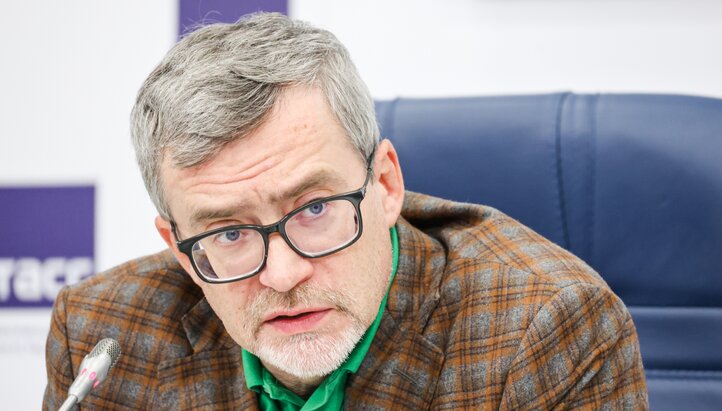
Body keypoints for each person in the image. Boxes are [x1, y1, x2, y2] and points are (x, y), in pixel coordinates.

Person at [44, 12, 648, 410]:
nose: (283, 275)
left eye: (313, 208)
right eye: (228, 234)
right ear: (179, 249)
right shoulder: (99, 339)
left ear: (385, 184)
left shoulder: (545, 330)